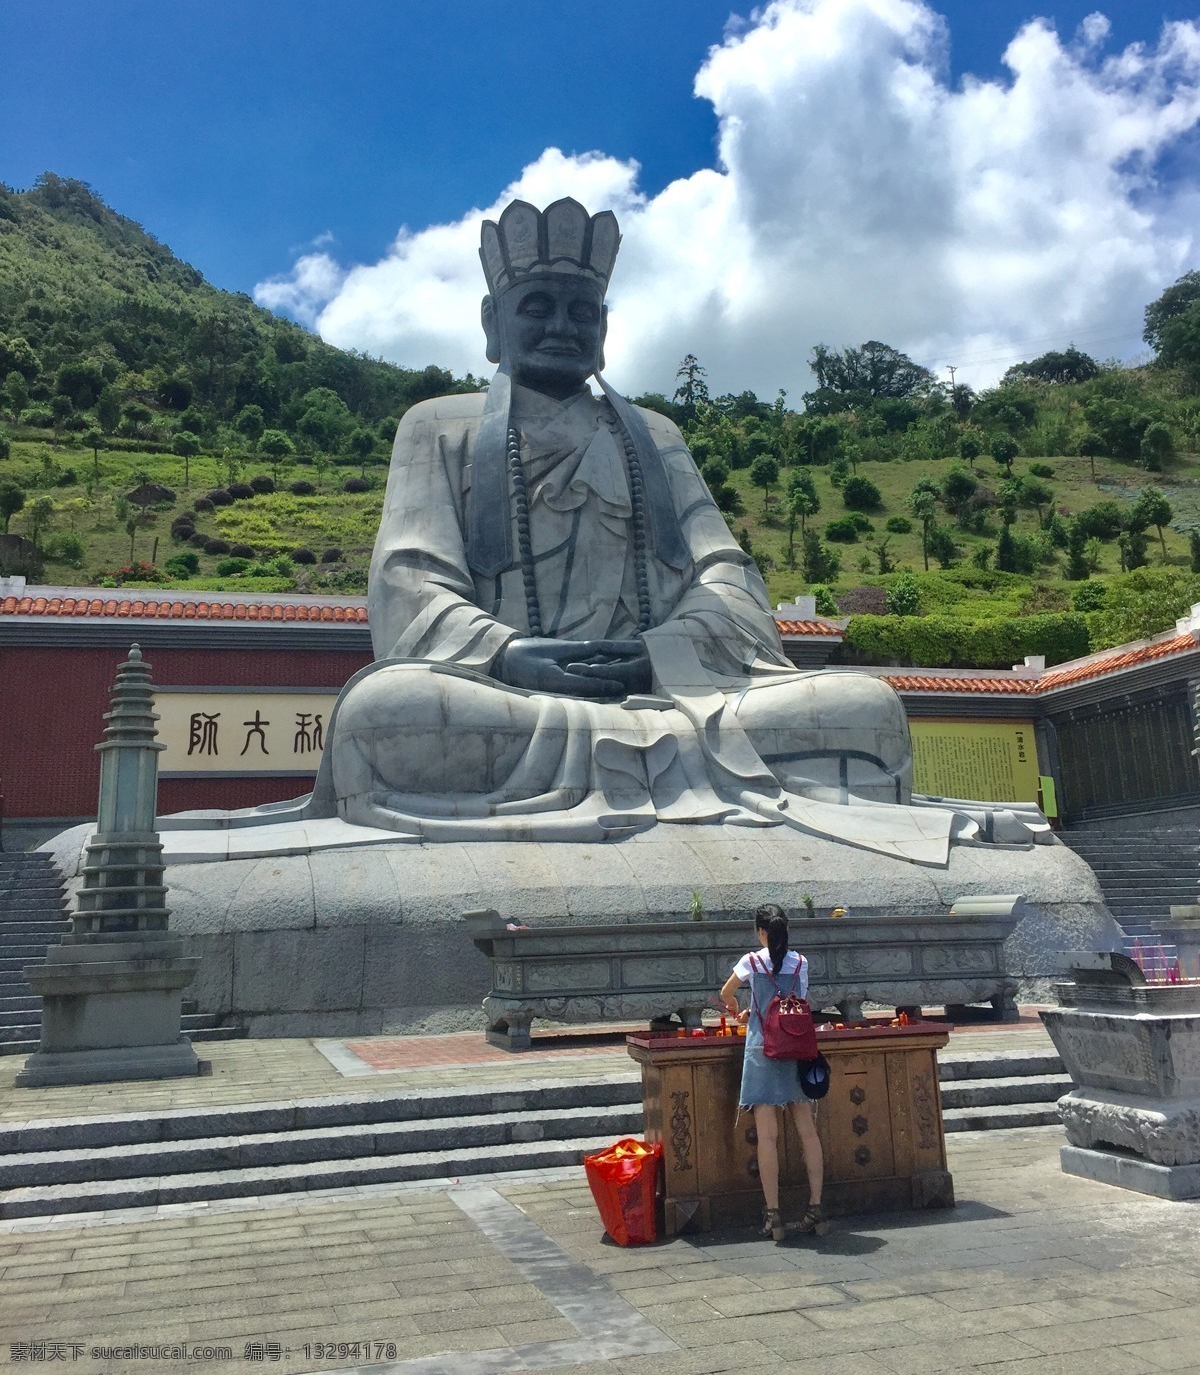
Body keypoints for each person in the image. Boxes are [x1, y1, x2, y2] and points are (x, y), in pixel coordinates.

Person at [310, 195, 1011, 865]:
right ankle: (657, 774)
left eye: (582, 310)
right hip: (513, 700)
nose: (562, 325)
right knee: (384, 712)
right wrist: (508, 653)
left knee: (866, 705)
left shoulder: (656, 436)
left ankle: (630, 766)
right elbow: (410, 580)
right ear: (494, 323)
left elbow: (727, 578)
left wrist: (660, 654)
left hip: (672, 695)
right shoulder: (437, 425)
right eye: (538, 306)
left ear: (605, 329)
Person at [720, 903, 825, 1242]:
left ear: (761, 932)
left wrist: (741, 1009)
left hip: (763, 1052)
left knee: (768, 1137)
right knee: (808, 1132)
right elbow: (799, 1001)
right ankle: (815, 1208)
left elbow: (726, 992)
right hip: (796, 1050)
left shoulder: (751, 961)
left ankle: (774, 1217)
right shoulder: (801, 963)